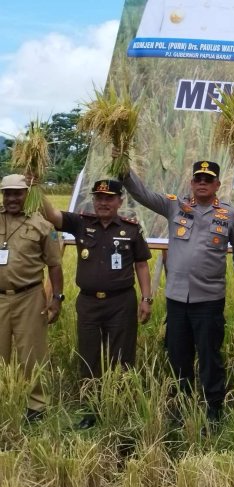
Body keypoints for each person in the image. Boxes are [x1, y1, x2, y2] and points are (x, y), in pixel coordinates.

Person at [120, 160, 234, 423]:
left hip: (209, 301)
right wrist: (122, 168)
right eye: (198, 179)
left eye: (208, 179)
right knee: (178, 355)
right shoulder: (175, 206)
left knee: (209, 357)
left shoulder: (229, 214)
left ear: (217, 184)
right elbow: (142, 194)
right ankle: (181, 408)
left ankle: (213, 410)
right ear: (191, 183)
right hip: (177, 299)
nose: (202, 183)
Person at [40, 179, 153, 429]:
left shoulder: (131, 229)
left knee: (122, 357)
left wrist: (146, 298)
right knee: (89, 356)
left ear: (119, 201)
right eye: (99, 197)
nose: (103, 202)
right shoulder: (81, 223)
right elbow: (51, 214)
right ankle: (90, 411)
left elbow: (142, 265)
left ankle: (120, 407)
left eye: (109, 198)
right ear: (94, 200)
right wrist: (36, 187)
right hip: (89, 303)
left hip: (121, 302)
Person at [0, 174, 64, 423]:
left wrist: (56, 297)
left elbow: (55, 266)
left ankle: (36, 406)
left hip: (29, 297)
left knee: (32, 353)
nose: (12, 198)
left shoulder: (42, 226)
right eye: (7, 193)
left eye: (17, 193)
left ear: (28, 194)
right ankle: (6, 399)